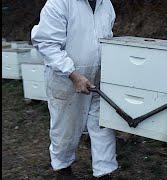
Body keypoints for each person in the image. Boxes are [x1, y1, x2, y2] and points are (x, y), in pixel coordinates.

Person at [31, 0, 117, 179]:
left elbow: (106, 37)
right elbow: (46, 43)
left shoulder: (106, 4)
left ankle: (105, 170)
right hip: (65, 79)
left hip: (98, 77)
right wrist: (72, 73)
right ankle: (63, 167)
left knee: (103, 124)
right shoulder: (59, 3)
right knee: (66, 128)